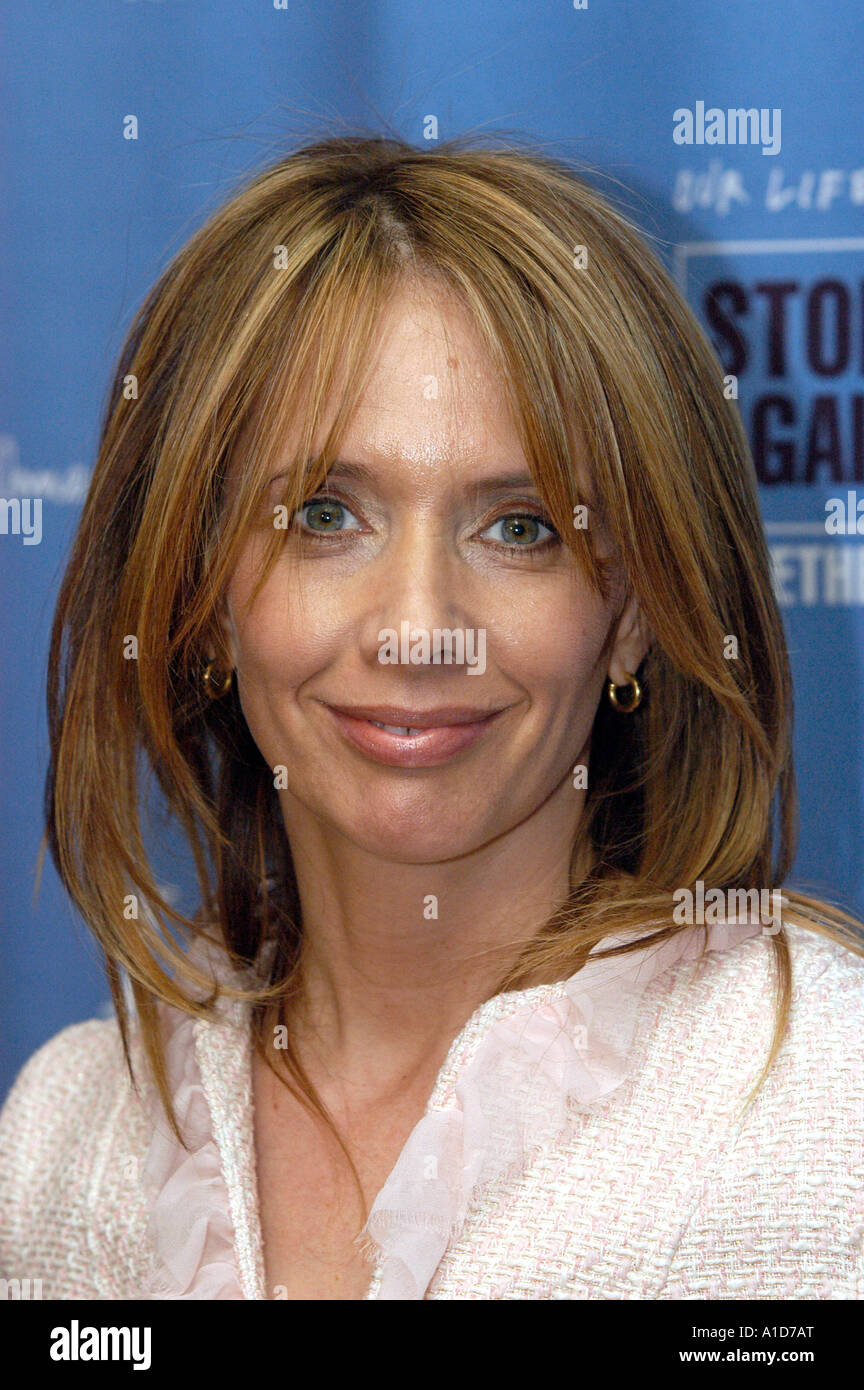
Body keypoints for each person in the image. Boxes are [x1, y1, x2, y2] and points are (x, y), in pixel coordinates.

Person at [1, 133, 863, 1301]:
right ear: (197, 600)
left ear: (629, 616)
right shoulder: (68, 1140)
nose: (418, 627)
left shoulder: (824, 1106)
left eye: (521, 528)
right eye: (322, 515)